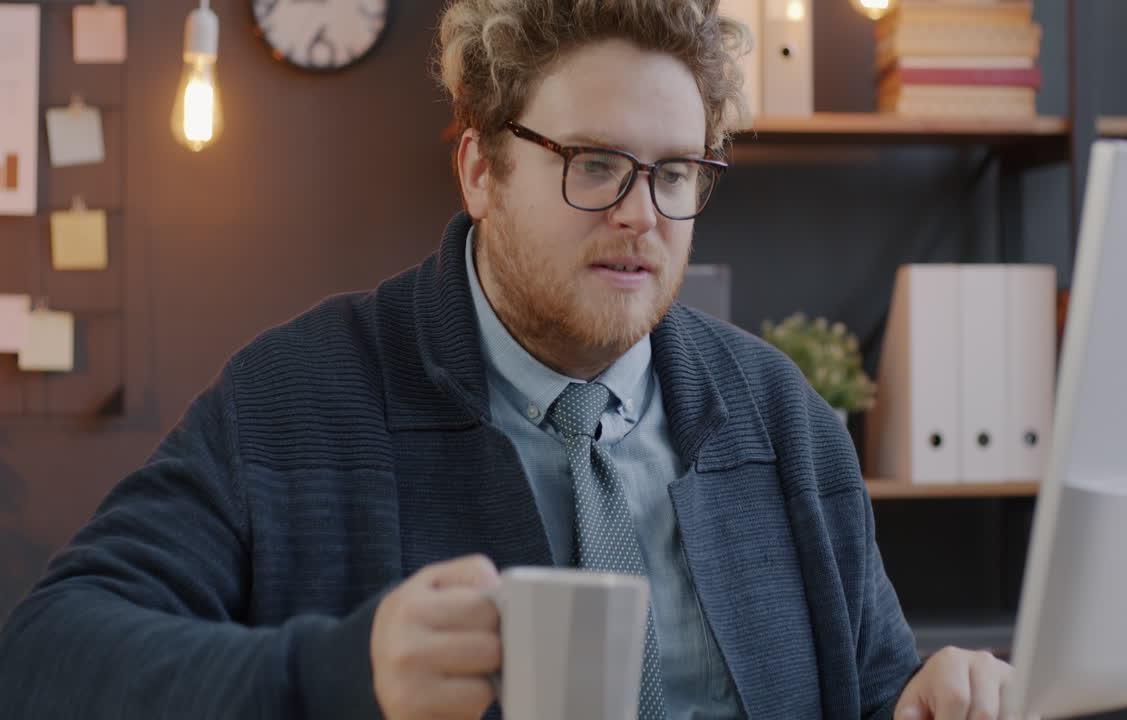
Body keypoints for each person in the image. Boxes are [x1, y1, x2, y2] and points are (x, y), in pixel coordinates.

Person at [0, 0, 1015, 718]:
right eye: (595, 164)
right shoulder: (294, 402)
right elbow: (46, 660)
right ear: (481, 169)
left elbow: (878, 682)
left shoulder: (776, 416)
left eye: (673, 173)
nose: (638, 215)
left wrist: (926, 697)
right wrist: (332, 675)